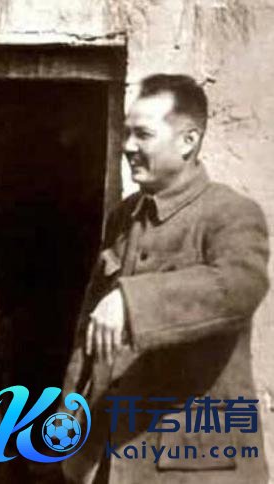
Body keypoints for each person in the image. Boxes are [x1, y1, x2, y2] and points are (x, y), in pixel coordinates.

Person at [61, 74, 269, 484]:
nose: (127, 146)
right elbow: (88, 337)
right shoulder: (124, 218)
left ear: (188, 141)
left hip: (197, 465)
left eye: (143, 134)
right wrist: (70, 429)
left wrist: (132, 301)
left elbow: (240, 286)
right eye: (126, 133)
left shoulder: (229, 213)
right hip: (115, 457)